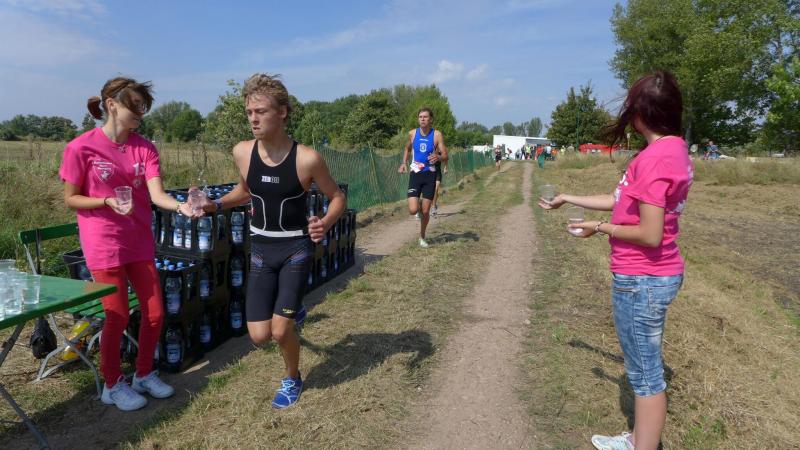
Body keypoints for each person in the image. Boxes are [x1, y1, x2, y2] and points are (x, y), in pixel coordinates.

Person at [539, 70, 692, 450]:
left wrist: (600, 227)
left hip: (642, 279)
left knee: (645, 377)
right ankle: (638, 438)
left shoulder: (654, 159)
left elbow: (650, 234)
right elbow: (620, 201)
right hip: (654, 275)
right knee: (644, 367)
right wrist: (568, 198)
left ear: (639, 112)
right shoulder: (673, 149)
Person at [198, 73, 345, 409]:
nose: (253, 118)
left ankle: (292, 378)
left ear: (282, 112)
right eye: (249, 112)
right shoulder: (242, 152)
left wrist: (324, 223)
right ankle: (295, 311)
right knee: (259, 335)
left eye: (261, 111)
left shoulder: (307, 158)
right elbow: (245, 191)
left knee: (280, 332)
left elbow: (337, 197)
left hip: (296, 249)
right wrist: (215, 204)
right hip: (261, 251)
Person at [59, 77, 193, 411]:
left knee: (155, 312)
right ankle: (112, 384)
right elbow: (71, 199)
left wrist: (181, 207)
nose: (140, 113)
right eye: (134, 105)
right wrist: (105, 201)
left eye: (143, 107)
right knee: (117, 315)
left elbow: (157, 195)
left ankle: (143, 373)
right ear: (111, 104)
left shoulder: (144, 148)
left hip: (139, 240)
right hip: (103, 243)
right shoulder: (80, 148)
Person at [398, 107, 448, 248]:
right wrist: (404, 163)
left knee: (425, 211)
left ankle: (422, 236)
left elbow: (445, 155)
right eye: (420, 117)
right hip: (415, 174)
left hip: (430, 175)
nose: (422, 119)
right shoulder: (412, 133)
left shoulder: (437, 135)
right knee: (413, 210)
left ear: (431, 119)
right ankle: (419, 206)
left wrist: (438, 157)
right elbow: (407, 148)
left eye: (425, 117)